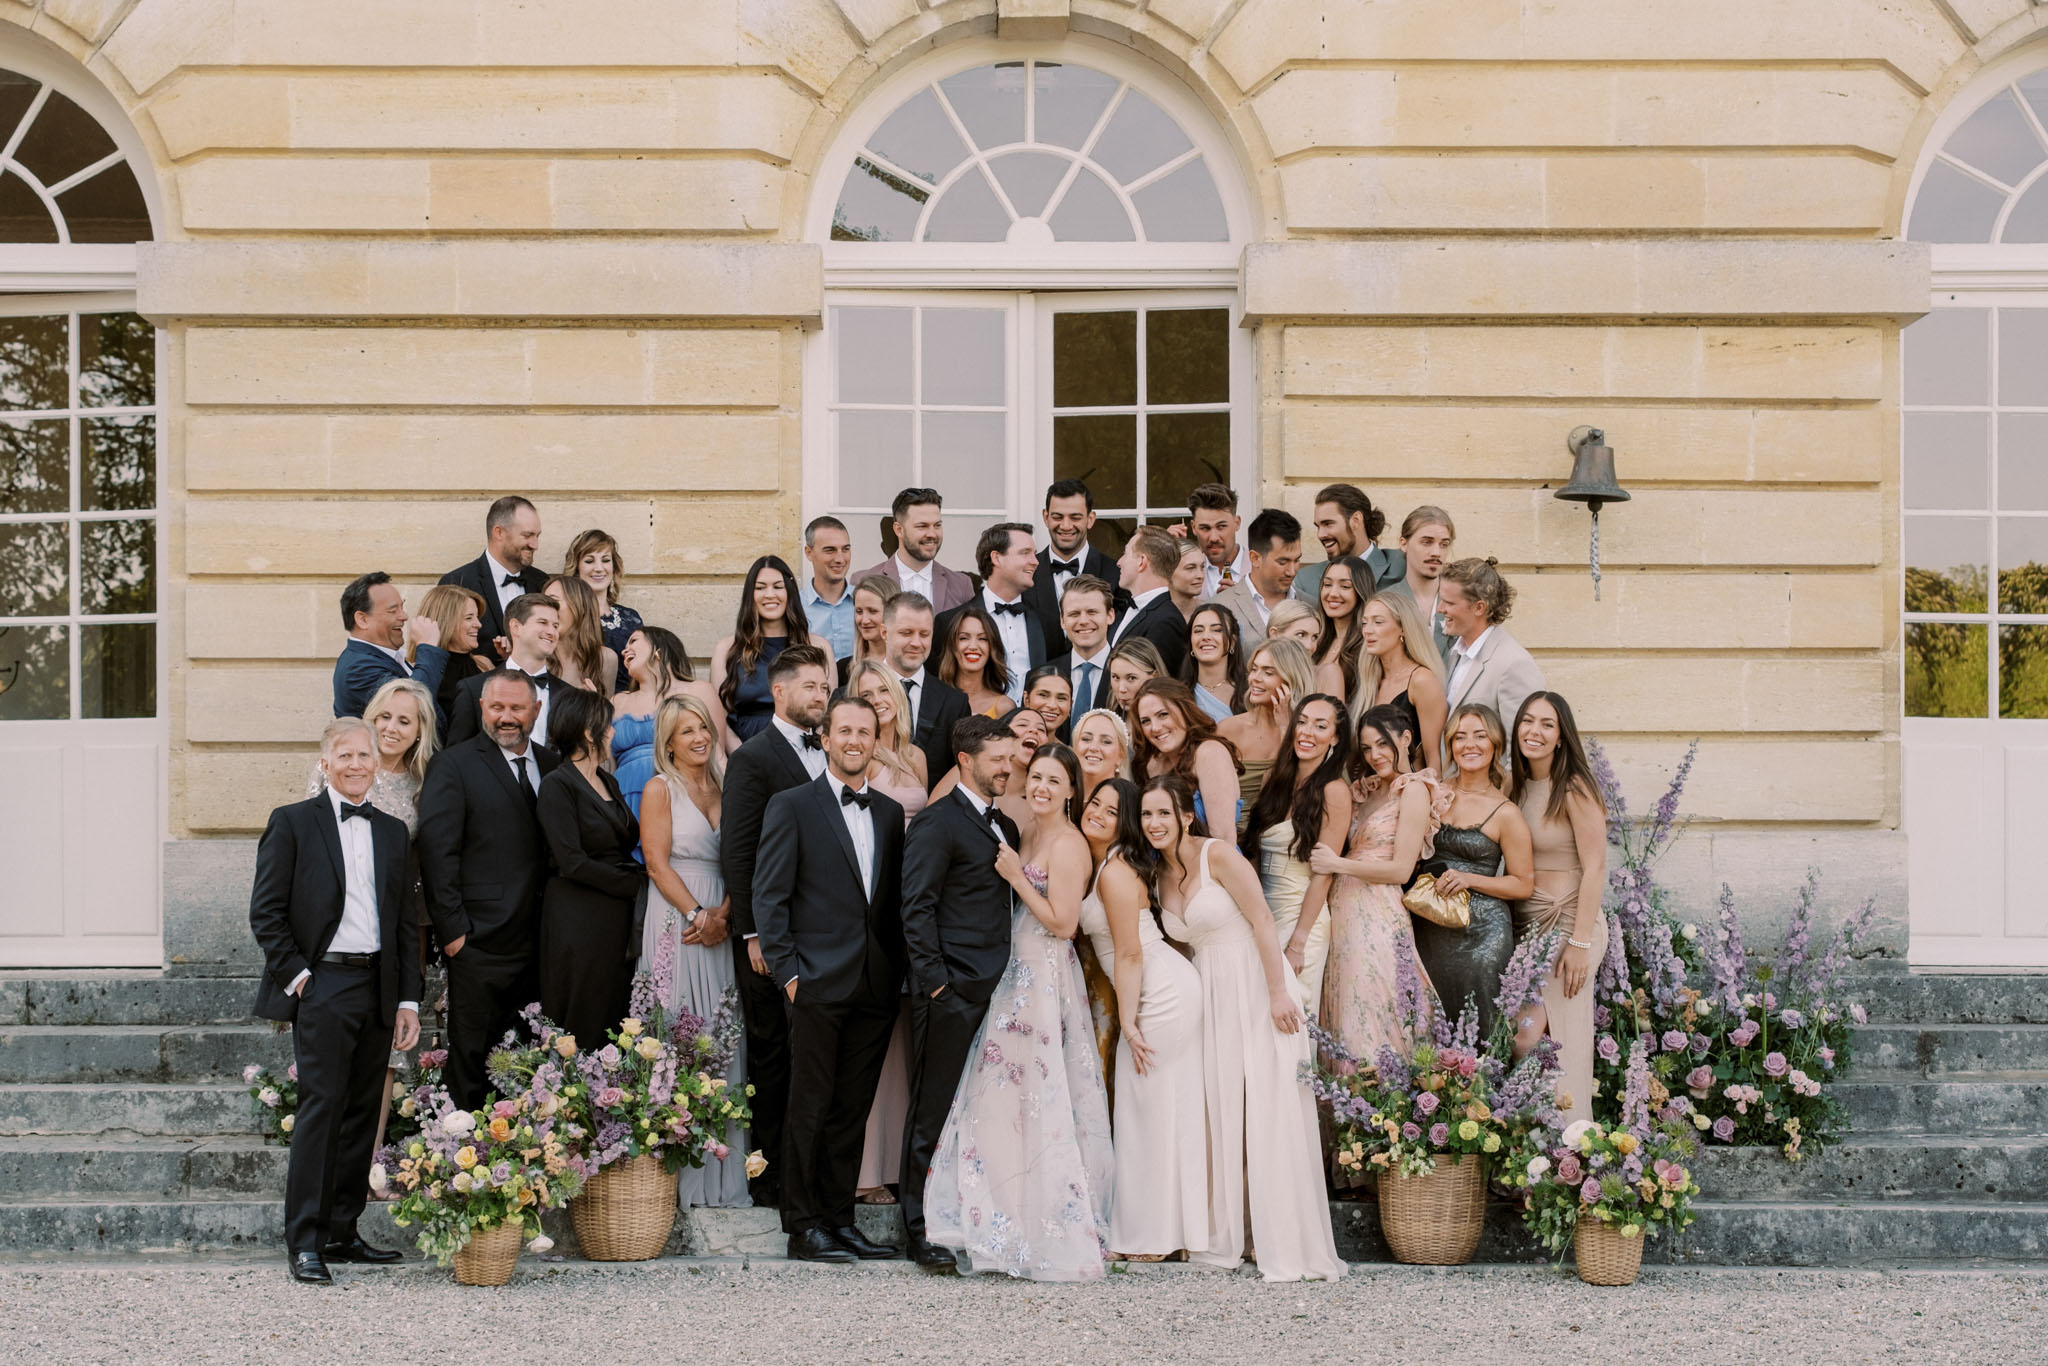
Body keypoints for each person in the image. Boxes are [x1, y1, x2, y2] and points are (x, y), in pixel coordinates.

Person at [1143, 775, 1343, 1283]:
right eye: (1146, 815)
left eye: (1163, 813)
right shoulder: (1158, 877)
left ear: (1186, 815)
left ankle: (1281, 1235)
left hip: (1256, 984)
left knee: (1269, 1107)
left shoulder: (1219, 856)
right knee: (1225, 1108)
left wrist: (1280, 992)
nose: (1154, 824)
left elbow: (1260, 920)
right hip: (1208, 997)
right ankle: (1238, 1230)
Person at [925, 741, 1112, 1280]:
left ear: (1072, 790)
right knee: (1002, 1099)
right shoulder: (1025, 830)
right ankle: (1001, 1215)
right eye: (1037, 778)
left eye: (1055, 780)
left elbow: (1064, 923)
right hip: (1013, 973)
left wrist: (1014, 879)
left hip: (1044, 976)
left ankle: (1046, 1225)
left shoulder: (1070, 844)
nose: (1042, 788)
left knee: (1040, 1099)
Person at [250, 717, 422, 1284]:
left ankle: (344, 1232)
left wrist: (408, 1002)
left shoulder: (393, 832)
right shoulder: (293, 823)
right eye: (343, 755)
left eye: (363, 756)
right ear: (325, 763)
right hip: (322, 983)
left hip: (377, 986)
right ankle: (305, 1240)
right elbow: (267, 912)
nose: (354, 765)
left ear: (376, 764)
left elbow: (404, 926)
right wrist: (299, 978)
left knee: (360, 1113)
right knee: (321, 1109)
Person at [753, 696, 908, 1263]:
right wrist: (790, 975)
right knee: (809, 1107)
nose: (854, 740)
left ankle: (840, 1220)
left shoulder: (890, 812)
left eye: (864, 732)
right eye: (844, 730)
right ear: (826, 737)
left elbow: (889, 904)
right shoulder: (791, 805)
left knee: (851, 1110)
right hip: (815, 982)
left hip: (874, 986)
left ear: (875, 741)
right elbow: (769, 896)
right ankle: (803, 1225)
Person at [897, 715, 1022, 1271]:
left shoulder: (1006, 827)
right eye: (999, 758)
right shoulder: (936, 823)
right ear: (967, 761)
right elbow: (916, 907)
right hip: (951, 991)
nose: (1009, 766)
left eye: (1011, 757)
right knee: (933, 1109)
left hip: (997, 990)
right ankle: (917, 1229)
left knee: (977, 1113)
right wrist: (937, 984)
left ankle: (965, 1216)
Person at [1074, 777, 1209, 1262]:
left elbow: (1129, 953)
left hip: (1159, 992)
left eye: (1112, 812)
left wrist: (1128, 1022)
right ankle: (1170, 1232)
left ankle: (1152, 1238)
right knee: (1157, 1110)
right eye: (1096, 804)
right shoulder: (1105, 865)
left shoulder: (1113, 872)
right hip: (1151, 986)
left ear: (1124, 822)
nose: (1099, 814)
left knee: (1145, 1110)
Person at [718, 642, 833, 1208]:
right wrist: (753, 933)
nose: (821, 696)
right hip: (773, 935)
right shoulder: (754, 758)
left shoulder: (836, 751)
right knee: (772, 1053)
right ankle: (769, 1180)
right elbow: (738, 853)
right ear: (780, 692)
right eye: (811, 686)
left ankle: (809, 1174)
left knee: (813, 1056)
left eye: (826, 687)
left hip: (825, 934)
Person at [305, 677, 436, 1160]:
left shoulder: (423, 785)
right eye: (384, 716)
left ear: (420, 730)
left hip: (394, 931)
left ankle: (370, 1158)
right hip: (333, 942)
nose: (392, 728)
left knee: (385, 1055)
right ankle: (326, 1164)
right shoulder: (339, 768)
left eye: (405, 720)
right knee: (332, 1062)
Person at [416, 671, 558, 1109]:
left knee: (528, 1061)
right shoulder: (453, 764)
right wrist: (454, 932)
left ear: (536, 711)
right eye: (497, 707)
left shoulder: (553, 765)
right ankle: (467, 1163)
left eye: (517, 708)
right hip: (479, 941)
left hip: (543, 940)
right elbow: (438, 853)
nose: (506, 717)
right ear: (482, 709)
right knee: (472, 1059)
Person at [637, 693, 750, 1208]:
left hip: (722, 920)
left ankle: (722, 1180)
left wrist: (724, 914)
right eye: (686, 731)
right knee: (678, 1032)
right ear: (668, 742)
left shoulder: (729, 785)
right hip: (676, 919)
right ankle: (674, 1181)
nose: (700, 737)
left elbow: (742, 856)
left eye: (703, 727)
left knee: (720, 1033)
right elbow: (657, 864)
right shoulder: (661, 788)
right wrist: (698, 916)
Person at [1313, 703, 1446, 1076]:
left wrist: (1337, 864)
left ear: (1405, 739)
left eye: (1383, 744)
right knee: (1343, 1007)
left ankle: (1383, 1110)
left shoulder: (1414, 789)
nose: (1375, 756)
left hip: (1377, 909)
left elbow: (1401, 868)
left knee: (1372, 1007)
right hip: (1341, 908)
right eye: (1368, 748)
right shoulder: (1369, 790)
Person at [846, 660, 926, 1204]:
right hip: (872, 898)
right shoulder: (860, 756)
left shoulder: (916, 756)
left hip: (913, 899)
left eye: (883, 691)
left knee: (901, 1040)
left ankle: (896, 1161)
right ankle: (863, 1172)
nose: (876, 699)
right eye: (865, 693)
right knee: (868, 1037)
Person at [1508, 692, 1608, 1125]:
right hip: (1528, 929)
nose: (1535, 731)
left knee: (1542, 1038)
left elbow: (1596, 865)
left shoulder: (1573, 787)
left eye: (1547, 724)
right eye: (1528, 721)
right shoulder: (1513, 785)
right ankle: (1531, 1153)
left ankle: (1570, 1148)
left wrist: (1580, 942)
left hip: (1571, 925)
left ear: (1561, 736)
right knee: (1521, 1041)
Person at [536, 687, 646, 1049]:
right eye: (608, 724)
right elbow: (572, 861)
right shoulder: (557, 785)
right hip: (578, 917)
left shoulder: (608, 780)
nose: (613, 731)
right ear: (588, 731)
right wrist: (636, 885)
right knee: (582, 1013)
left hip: (615, 917)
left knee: (614, 1012)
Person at [1423, 703, 1535, 1038]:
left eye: (1479, 736)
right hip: (1430, 924)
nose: (1469, 744)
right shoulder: (1434, 793)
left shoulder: (1506, 812)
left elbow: (1523, 884)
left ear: (1495, 745)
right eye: (1460, 737)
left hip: (1483, 932)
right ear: (1450, 745)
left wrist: (1469, 879)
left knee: (1481, 1026)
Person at [1239, 694, 1352, 1014]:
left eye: (1320, 725)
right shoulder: (1272, 780)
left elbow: (1323, 873)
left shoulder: (1334, 791)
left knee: (1293, 1014)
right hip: (1262, 914)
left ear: (1335, 738)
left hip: (1303, 917)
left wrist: (1298, 943)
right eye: (1301, 722)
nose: (1307, 731)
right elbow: (1255, 853)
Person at [713, 555, 833, 746]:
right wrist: (741, 759)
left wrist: (810, 753)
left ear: (790, 592)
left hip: (804, 752)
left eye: (778, 587)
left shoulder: (818, 647)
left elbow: (827, 714)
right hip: (745, 752)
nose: (769, 594)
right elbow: (719, 717)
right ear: (750, 595)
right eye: (760, 587)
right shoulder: (727, 649)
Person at [612, 626, 723, 824]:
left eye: (634, 641)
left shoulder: (697, 690)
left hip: (680, 794)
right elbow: (607, 761)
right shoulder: (617, 701)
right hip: (624, 795)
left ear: (659, 650)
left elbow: (717, 753)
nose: (624, 649)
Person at [1441, 558, 1546, 745]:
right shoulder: (1454, 654)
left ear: (1479, 607)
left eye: (1449, 603)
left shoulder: (1514, 664)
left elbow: (1521, 746)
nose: (1441, 609)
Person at [937, 523, 1047, 702]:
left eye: (1034, 554)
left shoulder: (1045, 622)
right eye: (1025, 553)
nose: (1035, 561)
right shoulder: (949, 621)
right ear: (996, 558)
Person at [1218, 637, 1317, 831]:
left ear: (1291, 679)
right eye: (1254, 669)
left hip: (1285, 835)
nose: (1255, 678)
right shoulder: (1229, 729)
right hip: (1232, 835)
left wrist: (1285, 729)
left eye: (1268, 672)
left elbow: (1305, 790)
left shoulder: (1310, 733)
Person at [439, 495, 548, 666]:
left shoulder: (542, 582)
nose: (535, 545)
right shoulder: (457, 582)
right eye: (527, 535)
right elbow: (445, 653)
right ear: (499, 532)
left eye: (537, 536)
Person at [332, 572, 447, 731]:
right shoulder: (358, 668)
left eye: (402, 607)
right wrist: (428, 647)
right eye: (393, 611)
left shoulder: (381, 655)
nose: (404, 616)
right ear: (362, 620)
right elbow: (413, 703)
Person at [1131, 678, 1242, 840]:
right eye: (1145, 721)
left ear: (1184, 710)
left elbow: (1224, 837)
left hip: (1211, 861)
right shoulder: (1152, 765)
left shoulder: (1209, 753)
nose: (1155, 728)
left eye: (1163, 715)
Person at [445, 593, 562, 745]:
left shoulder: (568, 695)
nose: (551, 632)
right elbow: (456, 757)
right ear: (516, 627)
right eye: (542, 622)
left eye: (555, 626)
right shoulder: (473, 689)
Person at [882, 591, 969, 790]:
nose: (916, 643)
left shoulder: (954, 703)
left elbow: (960, 773)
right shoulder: (852, 694)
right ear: (884, 633)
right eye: (906, 633)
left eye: (924, 634)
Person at [1355, 591, 1450, 772]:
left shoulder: (1421, 680)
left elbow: (1435, 758)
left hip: (1411, 792)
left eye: (1378, 622)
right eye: (1364, 623)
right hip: (1375, 793)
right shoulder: (1371, 681)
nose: (1367, 630)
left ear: (1403, 628)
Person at [1027, 478, 1122, 654]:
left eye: (1075, 517)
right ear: (1046, 517)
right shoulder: (1026, 574)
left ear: (1090, 519)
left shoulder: (1116, 575)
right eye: (1057, 517)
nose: (1065, 526)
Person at [856, 487, 973, 613]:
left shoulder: (961, 585)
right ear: (898, 530)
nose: (932, 534)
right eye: (922, 526)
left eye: (937, 525)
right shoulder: (864, 581)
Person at [1296, 483, 1404, 605]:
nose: (1320, 534)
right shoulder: (1304, 580)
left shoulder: (1401, 565)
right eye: (1318, 526)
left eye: (1328, 524)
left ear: (1356, 520)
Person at [564, 528, 641, 693]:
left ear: (614, 567)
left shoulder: (631, 618)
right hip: (587, 706)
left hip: (629, 708)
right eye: (589, 561)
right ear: (577, 568)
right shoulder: (568, 616)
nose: (599, 568)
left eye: (605, 560)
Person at [1211, 508, 1303, 645]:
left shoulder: (1312, 605)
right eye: (1282, 562)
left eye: (1296, 560)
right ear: (1255, 558)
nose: (1292, 571)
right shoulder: (1219, 608)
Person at [1107, 525, 1189, 674]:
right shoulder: (1125, 610)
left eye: (1125, 553)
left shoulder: (1167, 621)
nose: (1119, 562)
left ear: (1141, 562)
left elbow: (1159, 684)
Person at [411, 583, 492, 726]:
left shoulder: (484, 665)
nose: (478, 624)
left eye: (477, 617)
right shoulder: (419, 672)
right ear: (446, 622)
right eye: (469, 618)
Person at [1045, 574, 1117, 724]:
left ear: (1110, 615)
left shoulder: (1130, 675)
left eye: (1092, 612)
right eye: (1074, 614)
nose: (1083, 621)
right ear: (1062, 621)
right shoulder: (1044, 675)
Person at [1391, 506, 1456, 663]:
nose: (1436, 552)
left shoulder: (1461, 601)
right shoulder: (1386, 602)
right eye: (1427, 542)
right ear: (1404, 544)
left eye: (1444, 544)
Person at [541, 574, 617, 698]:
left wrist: (592, 705)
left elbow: (606, 714)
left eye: (553, 602)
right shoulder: (537, 657)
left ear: (580, 607)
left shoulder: (606, 659)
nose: (545, 611)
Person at [935, 600, 1010, 718]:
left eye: (983, 639)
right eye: (964, 638)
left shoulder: (1004, 707)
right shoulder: (934, 698)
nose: (973, 646)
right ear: (952, 646)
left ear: (992, 647)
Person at [1312, 556, 1371, 703]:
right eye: (1327, 584)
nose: (1332, 593)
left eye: (1345, 586)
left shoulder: (1368, 646)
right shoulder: (1315, 640)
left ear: (1360, 591)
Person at [801, 515, 858, 667]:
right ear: (808, 552)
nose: (840, 559)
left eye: (845, 549)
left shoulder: (865, 603)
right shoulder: (795, 607)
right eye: (830, 550)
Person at [1180, 602, 1247, 722]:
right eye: (1198, 631)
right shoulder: (1178, 696)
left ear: (1232, 641)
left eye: (1216, 630)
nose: (1206, 637)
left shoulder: (1250, 692)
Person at [1186, 483, 1247, 595]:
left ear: (1237, 523)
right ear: (1193, 527)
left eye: (1221, 526)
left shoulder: (1260, 570)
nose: (1214, 538)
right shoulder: (1181, 573)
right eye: (1205, 528)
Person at [845, 573, 899, 686]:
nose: (864, 620)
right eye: (859, 611)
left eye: (872, 611)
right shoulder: (844, 668)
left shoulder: (908, 664)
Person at [1072, 707, 1132, 797]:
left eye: (1106, 742)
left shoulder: (1132, 804)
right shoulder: (1059, 795)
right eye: (1086, 739)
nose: (1093, 747)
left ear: (1121, 755)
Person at [1105, 637, 1166, 719]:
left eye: (1131, 678)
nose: (1121, 689)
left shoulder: (1170, 720)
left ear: (1155, 677)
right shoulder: (1108, 719)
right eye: (1115, 677)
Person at [1022, 663, 1073, 739]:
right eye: (1043, 695)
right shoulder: (1003, 746)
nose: (1052, 705)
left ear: (1070, 705)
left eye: (1061, 698)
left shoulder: (1069, 751)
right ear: (1026, 699)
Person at [1169, 539, 1209, 623]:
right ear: (1168, 572)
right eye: (1190, 568)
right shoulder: (1153, 616)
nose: (1200, 575)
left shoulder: (1210, 613)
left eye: (1202, 567)